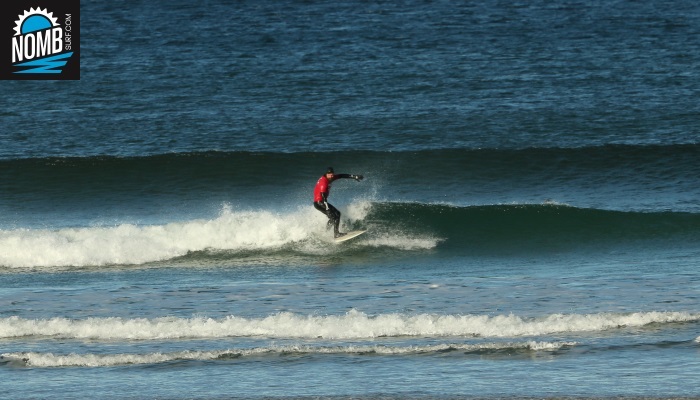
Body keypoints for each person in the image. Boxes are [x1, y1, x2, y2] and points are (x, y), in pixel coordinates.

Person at [313, 167, 363, 238]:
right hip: (320, 203)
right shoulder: (323, 182)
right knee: (335, 216)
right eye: (329, 174)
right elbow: (323, 197)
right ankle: (336, 234)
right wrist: (327, 208)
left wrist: (354, 176)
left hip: (319, 203)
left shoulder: (330, 178)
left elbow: (341, 175)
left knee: (335, 216)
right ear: (326, 174)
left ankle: (326, 232)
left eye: (332, 174)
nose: (331, 175)